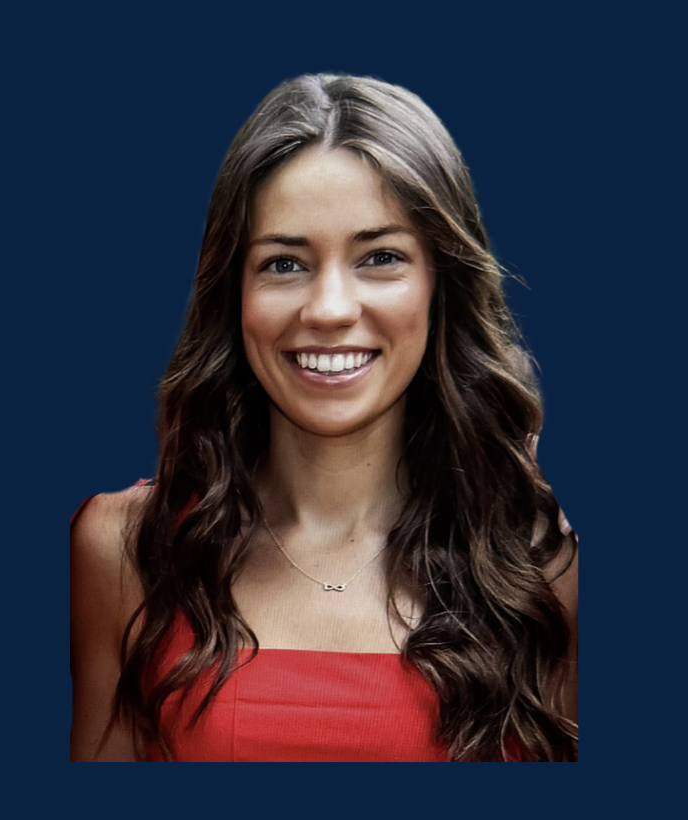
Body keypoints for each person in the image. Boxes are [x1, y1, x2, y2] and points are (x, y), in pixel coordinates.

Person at [70, 73, 578, 762]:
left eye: (381, 257)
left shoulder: (538, 564)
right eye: (284, 263)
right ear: (233, 295)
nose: (330, 309)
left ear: (440, 286)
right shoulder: (126, 551)